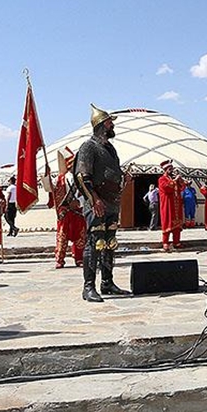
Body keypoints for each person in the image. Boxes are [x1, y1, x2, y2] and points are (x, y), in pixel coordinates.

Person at [75, 104, 132, 302]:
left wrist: (125, 178)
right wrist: (94, 199)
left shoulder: (110, 149)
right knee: (95, 243)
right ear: (101, 125)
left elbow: (113, 173)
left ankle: (107, 283)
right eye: (109, 123)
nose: (111, 125)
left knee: (110, 243)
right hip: (96, 203)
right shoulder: (88, 147)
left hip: (111, 202)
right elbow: (82, 176)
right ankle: (88, 287)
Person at [50, 148, 85, 269]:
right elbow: (51, 190)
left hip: (78, 211)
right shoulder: (60, 179)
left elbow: (86, 193)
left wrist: (79, 202)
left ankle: (79, 258)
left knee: (80, 236)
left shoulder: (81, 179)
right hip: (64, 212)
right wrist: (47, 177)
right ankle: (60, 259)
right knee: (62, 236)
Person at [158, 159, 185, 250]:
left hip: (176, 205)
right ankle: (165, 242)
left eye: (172, 168)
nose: (172, 170)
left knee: (177, 224)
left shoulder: (174, 179)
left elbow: (182, 188)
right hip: (168, 205)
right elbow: (166, 188)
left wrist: (180, 180)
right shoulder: (162, 179)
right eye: (169, 169)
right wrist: (174, 181)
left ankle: (176, 242)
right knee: (167, 223)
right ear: (165, 170)